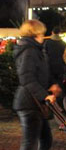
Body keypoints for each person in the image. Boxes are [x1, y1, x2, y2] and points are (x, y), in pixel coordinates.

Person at [13, 20, 61, 150]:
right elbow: (26, 78)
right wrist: (45, 95)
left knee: (45, 140)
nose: (43, 36)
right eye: (41, 33)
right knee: (30, 143)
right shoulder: (29, 51)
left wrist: (52, 84)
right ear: (35, 33)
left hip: (35, 104)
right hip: (29, 103)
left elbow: (42, 73)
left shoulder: (36, 50)